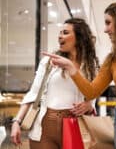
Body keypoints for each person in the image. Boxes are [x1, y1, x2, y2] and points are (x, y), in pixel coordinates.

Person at [47, 2, 116, 149]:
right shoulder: (112, 59)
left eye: (108, 23)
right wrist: (70, 67)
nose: (105, 29)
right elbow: (91, 91)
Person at [10, 18, 99, 149]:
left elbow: (92, 96)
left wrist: (89, 106)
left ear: (80, 37)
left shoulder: (91, 66)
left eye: (65, 32)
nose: (59, 36)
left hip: (76, 125)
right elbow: (33, 94)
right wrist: (16, 122)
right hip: (45, 126)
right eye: (60, 32)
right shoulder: (49, 61)